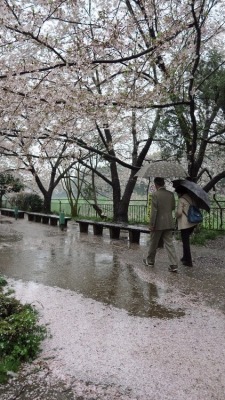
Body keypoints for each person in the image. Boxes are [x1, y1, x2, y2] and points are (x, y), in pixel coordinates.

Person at [143, 177, 178, 273]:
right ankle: (173, 264)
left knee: (153, 243)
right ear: (163, 183)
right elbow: (172, 207)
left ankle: (150, 261)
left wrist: (152, 224)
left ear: (156, 184)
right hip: (168, 222)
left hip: (158, 223)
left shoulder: (155, 194)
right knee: (169, 244)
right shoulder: (171, 194)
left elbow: (154, 211)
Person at [175, 187, 198, 267]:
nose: (177, 195)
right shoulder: (192, 197)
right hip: (192, 223)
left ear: (180, 193)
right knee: (186, 241)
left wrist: (175, 215)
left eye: (177, 193)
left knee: (186, 243)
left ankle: (188, 261)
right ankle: (185, 257)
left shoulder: (181, 199)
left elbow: (179, 213)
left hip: (185, 224)